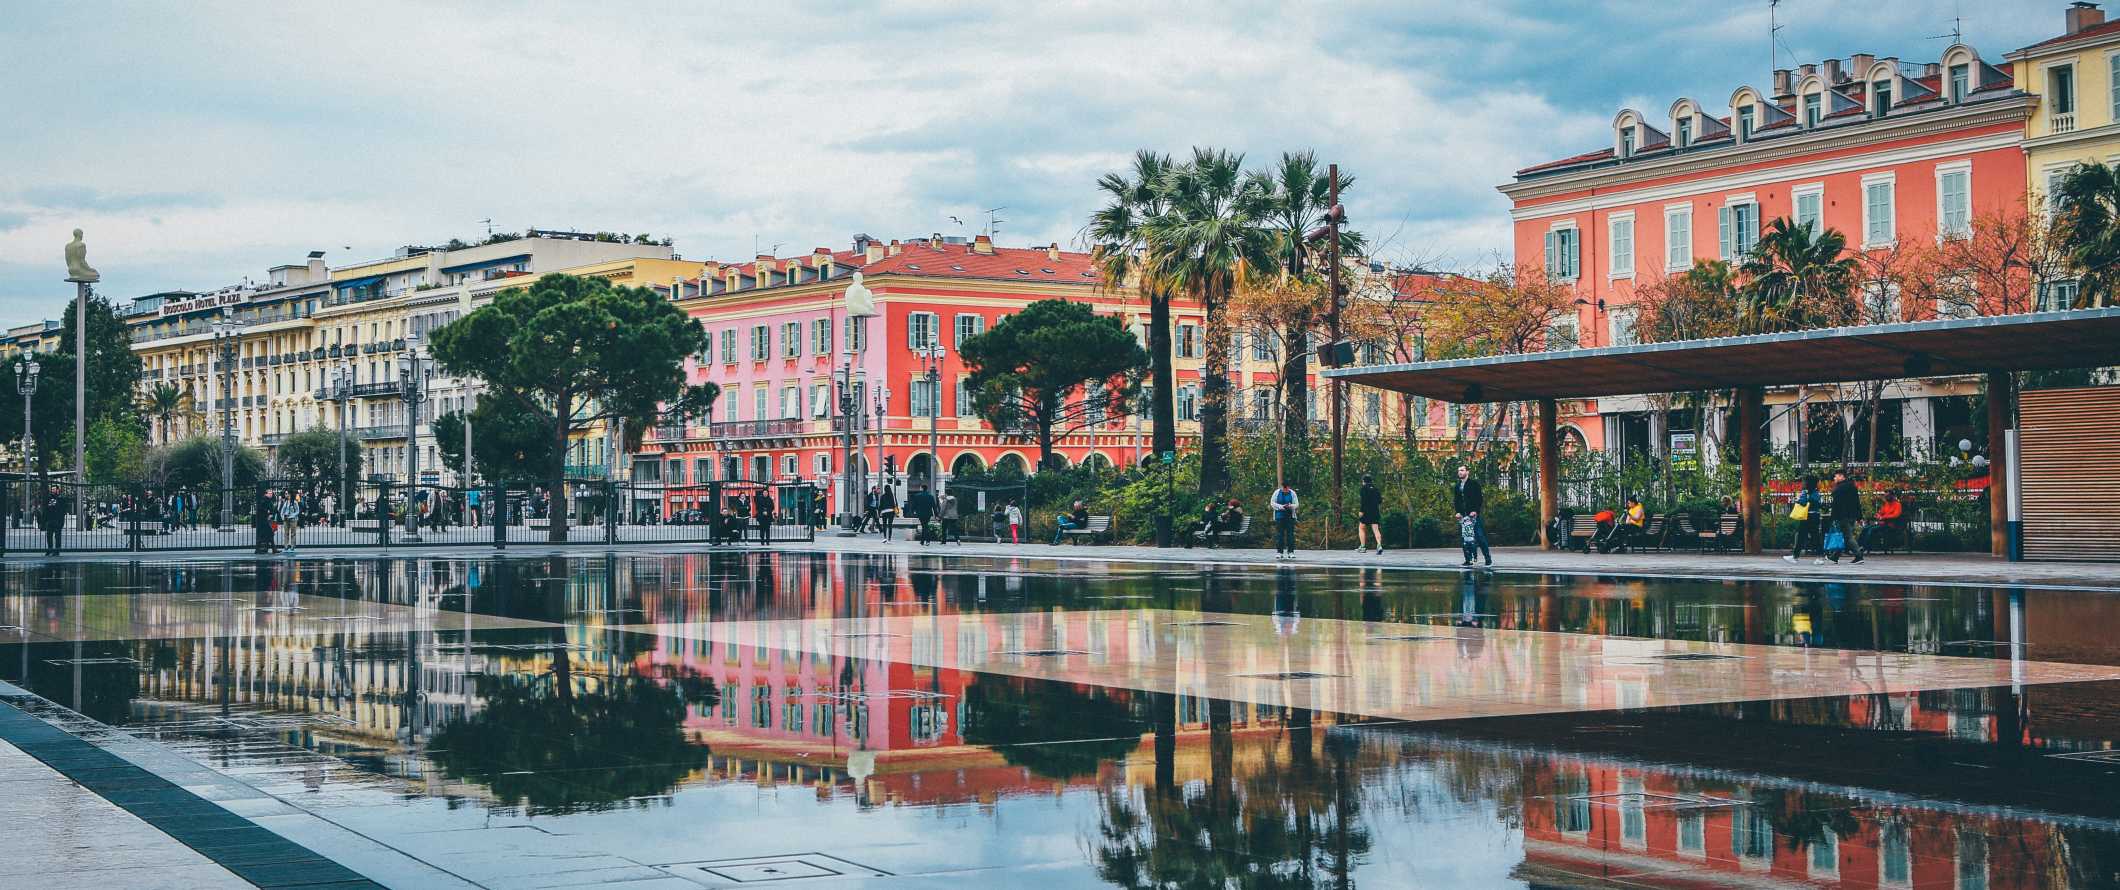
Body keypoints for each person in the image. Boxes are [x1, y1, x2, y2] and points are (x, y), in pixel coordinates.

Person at [1451, 465, 1491, 567]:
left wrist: (1475, 511)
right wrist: (1458, 512)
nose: (1460, 472)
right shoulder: (1457, 486)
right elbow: (1456, 501)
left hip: (1473, 515)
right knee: (1465, 538)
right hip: (1463, 516)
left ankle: (1488, 559)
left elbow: (1479, 499)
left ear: (1467, 472)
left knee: (1479, 537)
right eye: (1459, 470)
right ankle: (1468, 560)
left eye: (1462, 470)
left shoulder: (1474, 484)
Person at [1827, 470, 1865, 564]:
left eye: (1836, 476)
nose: (1834, 479)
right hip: (1852, 515)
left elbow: (1836, 505)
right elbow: (1857, 502)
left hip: (1842, 515)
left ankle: (1858, 555)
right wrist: (1859, 516)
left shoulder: (1839, 489)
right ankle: (1835, 556)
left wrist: (1832, 517)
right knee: (1844, 536)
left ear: (1841, 476)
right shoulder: (1852, 486)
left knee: (1847, 536)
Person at [1783, 475, 1823, 563]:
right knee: (1814, 536)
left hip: (1807, 517)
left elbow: (1802, 502)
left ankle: (1795, 556)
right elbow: (1818, 504)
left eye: (1805, 482)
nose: (1803, 483)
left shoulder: (1806, 492)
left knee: (1802, 536)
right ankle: (1819, 557)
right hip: (1814, 516)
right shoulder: (1816, 493)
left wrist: (1798, 499)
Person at [1270, 482, 1299, 560]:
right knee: (1280, 535)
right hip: (1280, 516)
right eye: (1284, 488)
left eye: (1286, 488)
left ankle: (1291, 552)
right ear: (1281, 487)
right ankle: (1279, 552)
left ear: (1289, 487)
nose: (1285, 490)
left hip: (1290, 516)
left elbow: (1296, 504)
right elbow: (1272, 503)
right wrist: (1280, 507)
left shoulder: (1292, 493)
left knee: (1290, 535)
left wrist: (1290, 506)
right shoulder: (1276, 492)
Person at [1356, 475, 1384, 555]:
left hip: (1366, 512)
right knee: (1376, 529)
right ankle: (1379, 545)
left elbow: (1363, 501)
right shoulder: (1376, 489)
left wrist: (1361, 511)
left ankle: (1363, 547)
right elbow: (1380, 501)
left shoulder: (1363, 489)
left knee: (1361, 528)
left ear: (1364, 481)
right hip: (1375, 511)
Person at [36, 487, 64, 556]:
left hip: (57, 520)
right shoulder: (48, 498)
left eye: (54, 489)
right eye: (52, 489)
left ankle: (57, 550)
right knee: (49, 536)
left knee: (57, 536)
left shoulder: (61, 498)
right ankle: (50, 549)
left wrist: (61, 520)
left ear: (58, 490)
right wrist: (43, 521)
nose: (53, 490)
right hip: (50, 520)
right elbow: (45, 510)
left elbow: (63, 509)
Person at [252, 487, 276, 554]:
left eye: (272, 493)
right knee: (268, 534)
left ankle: (272, 549)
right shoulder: (264, 499)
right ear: (266, 494)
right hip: (264, 520)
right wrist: (268, 512)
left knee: (268, 534)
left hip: (265, 520)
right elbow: (261, 508)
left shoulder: (267, 499)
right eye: (270, 493)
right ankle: (272, 549)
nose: (271, 494)